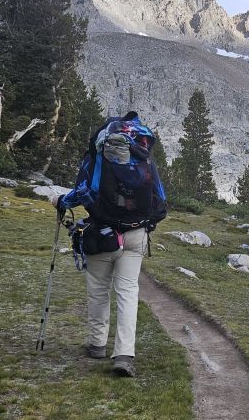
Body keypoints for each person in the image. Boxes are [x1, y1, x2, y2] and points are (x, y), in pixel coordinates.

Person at [50, 111, 167, 377]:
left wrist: (61, 202)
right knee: (127, 292)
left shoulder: (97, 156)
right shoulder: (144, 158)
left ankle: (97, 345)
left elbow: (84, 192)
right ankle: (124, 355)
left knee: (99, 290)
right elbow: (161, 200)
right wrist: (145, 222)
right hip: (136, 234)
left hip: (101, 234)